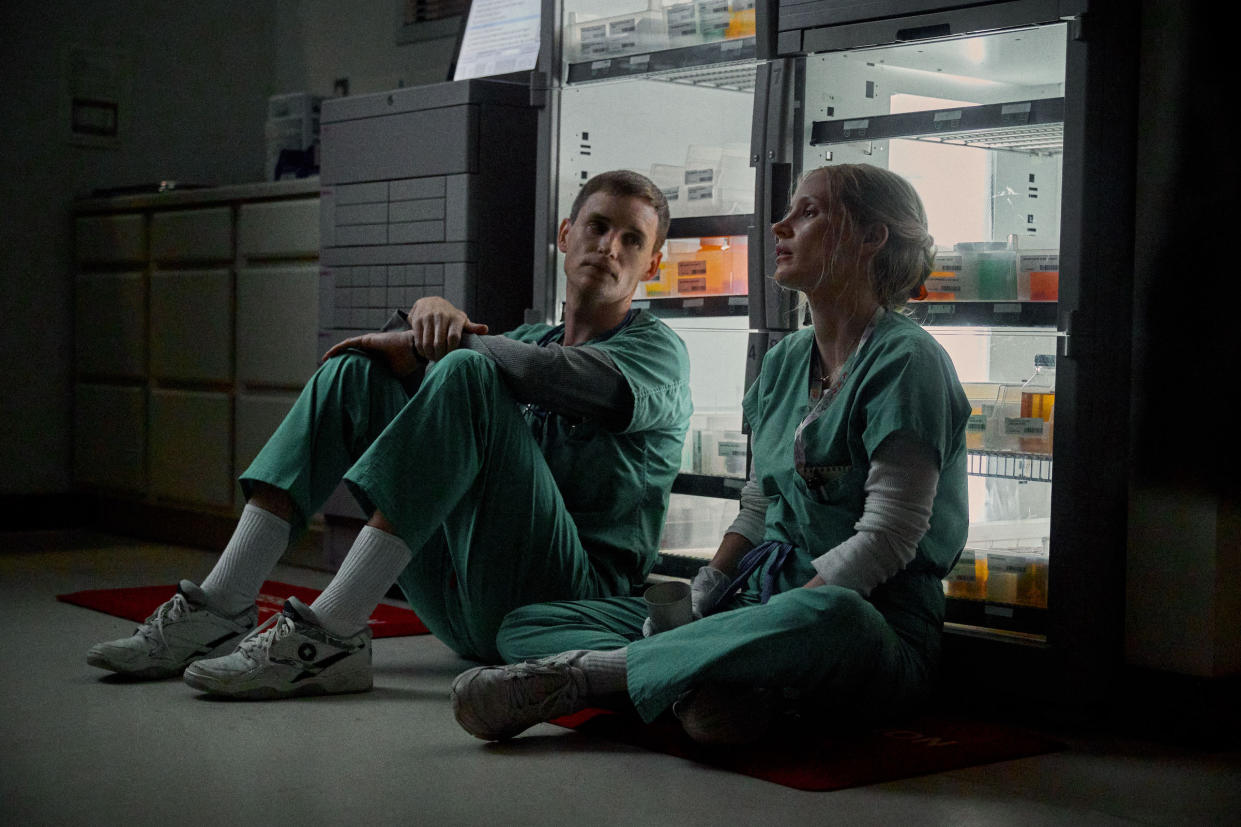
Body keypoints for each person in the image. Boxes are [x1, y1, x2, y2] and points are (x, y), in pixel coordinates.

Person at [87, 170, 693, 699]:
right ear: (566, 236)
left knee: (463, 366)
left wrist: (441, 335)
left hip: (564, 602)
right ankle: (220, 604)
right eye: (597, 227)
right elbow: (412, 367)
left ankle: (331, 634)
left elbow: (550, 377)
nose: (609, 247)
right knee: (356, 371)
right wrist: (422, 318)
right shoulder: (528, 337)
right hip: (463, 601)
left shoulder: (659, 352)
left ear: (653, 264)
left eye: (631, 239)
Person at [449, 163, 971, 744]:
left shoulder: (909, 361)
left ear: (872, 238)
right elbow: (759, 503)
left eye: (810, 212)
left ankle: (585, 679)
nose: (780, 225)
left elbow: (890, 539)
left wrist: (761, 620)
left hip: (868, 623)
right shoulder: (785, 361)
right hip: (750, 606)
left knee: (831, 617)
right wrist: (705, 597)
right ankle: (717, 693)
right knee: (526, 625)